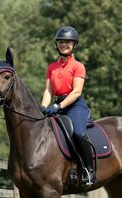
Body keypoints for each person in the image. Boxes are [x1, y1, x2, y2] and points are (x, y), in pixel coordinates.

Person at [41, 26, 97, 187]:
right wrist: (44, 107)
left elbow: (77, 91)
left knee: (78, 134)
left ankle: (89, 170)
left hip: (74, 106)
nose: (64, 44)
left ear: (74, 45)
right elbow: (48, 90)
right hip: (57, 104)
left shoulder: (78, 66)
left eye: (68, 42)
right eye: (61, 42)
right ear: (56, 44)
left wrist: (58, 106)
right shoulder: (52, 67)